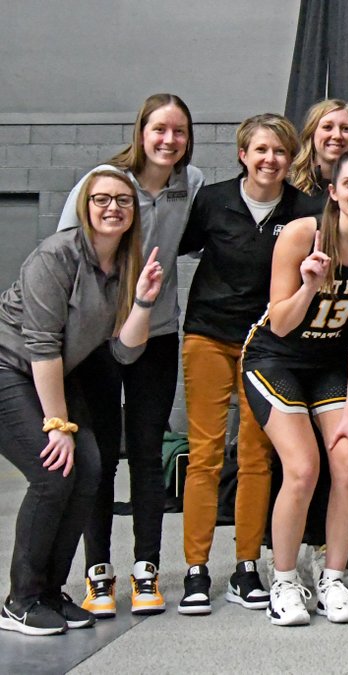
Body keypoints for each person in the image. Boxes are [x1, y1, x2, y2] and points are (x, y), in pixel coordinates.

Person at [242, 150, 348, 626]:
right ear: (333, 192)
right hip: (275, 358)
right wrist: (310, 285)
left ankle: (332, 578)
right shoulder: (301, 233)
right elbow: (283, 321)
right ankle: (286, 580)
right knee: (303, 467)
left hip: (331, 361)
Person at [57, 93, 204, 617]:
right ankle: (98, 572)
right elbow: (66, 254)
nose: (169, 140)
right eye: (159, 129)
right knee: (97, 458)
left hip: (157, 336)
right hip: (97, 340)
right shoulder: (104, 182)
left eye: (180, 131)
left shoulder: (194, 186)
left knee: (146, 453)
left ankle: (145, 568)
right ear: (141, 131)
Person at [0, 172, 162, 636]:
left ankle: (50, 591)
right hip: (11, 367)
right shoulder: (57, 255)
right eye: (102, 199)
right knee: (53, 470)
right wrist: (56, 424)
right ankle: (21, 599)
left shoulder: (127, 264)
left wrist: (145, 303)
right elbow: (42, 345)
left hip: (47, 372)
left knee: (89, 467)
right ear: (84, 206)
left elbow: (124, 351)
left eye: (124, 201)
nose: (113, 208)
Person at [175, 114, 304, 616]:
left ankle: (247, 564)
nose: (270, 160)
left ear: (290, 160)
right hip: (208, 334)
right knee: (205, 454)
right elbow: (174, 243)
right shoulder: (212, 200)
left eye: (279, 152)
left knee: (256, 455)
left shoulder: (303, 209)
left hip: (266, 342)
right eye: (261, 150)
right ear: (243, 155)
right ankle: (195, 569)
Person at [290, 99, 348, 217]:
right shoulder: (288, 185)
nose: (337, 136)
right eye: (327, 127)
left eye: (346, 129)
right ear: (311, 133)